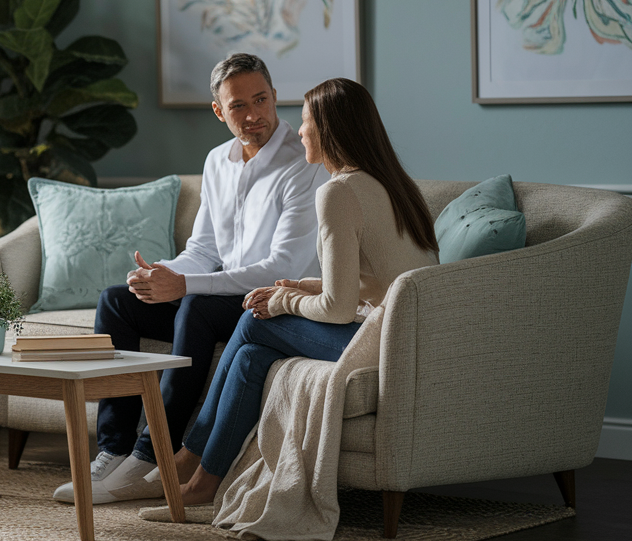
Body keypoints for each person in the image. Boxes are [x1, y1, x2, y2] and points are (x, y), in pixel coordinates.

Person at [54, 53, 329, 504]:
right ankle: (114, 449)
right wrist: (161, 275)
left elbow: (282, 269)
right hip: (221, 299)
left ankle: (150, 454)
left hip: (272, 305)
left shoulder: (305, 162)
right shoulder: (217, 161)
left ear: (275, 96)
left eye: (261, 99)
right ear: (220, 111)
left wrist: (185, 287)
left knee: (195, 307)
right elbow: (203, 252)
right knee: (117, 300)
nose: (254, 114)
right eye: (239, 105)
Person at [172, 77, 440, 506]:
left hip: (380, 343)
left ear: (330, 130)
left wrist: (281, 300)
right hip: (412, 337)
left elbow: (337, 310)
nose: (298, 132)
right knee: (251, 357)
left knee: (251, 320)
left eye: (305, 121)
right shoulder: (390, 182)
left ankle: (190, 455)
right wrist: (303, 286)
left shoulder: (338, 191)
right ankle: (205, 481)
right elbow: (374, 281)